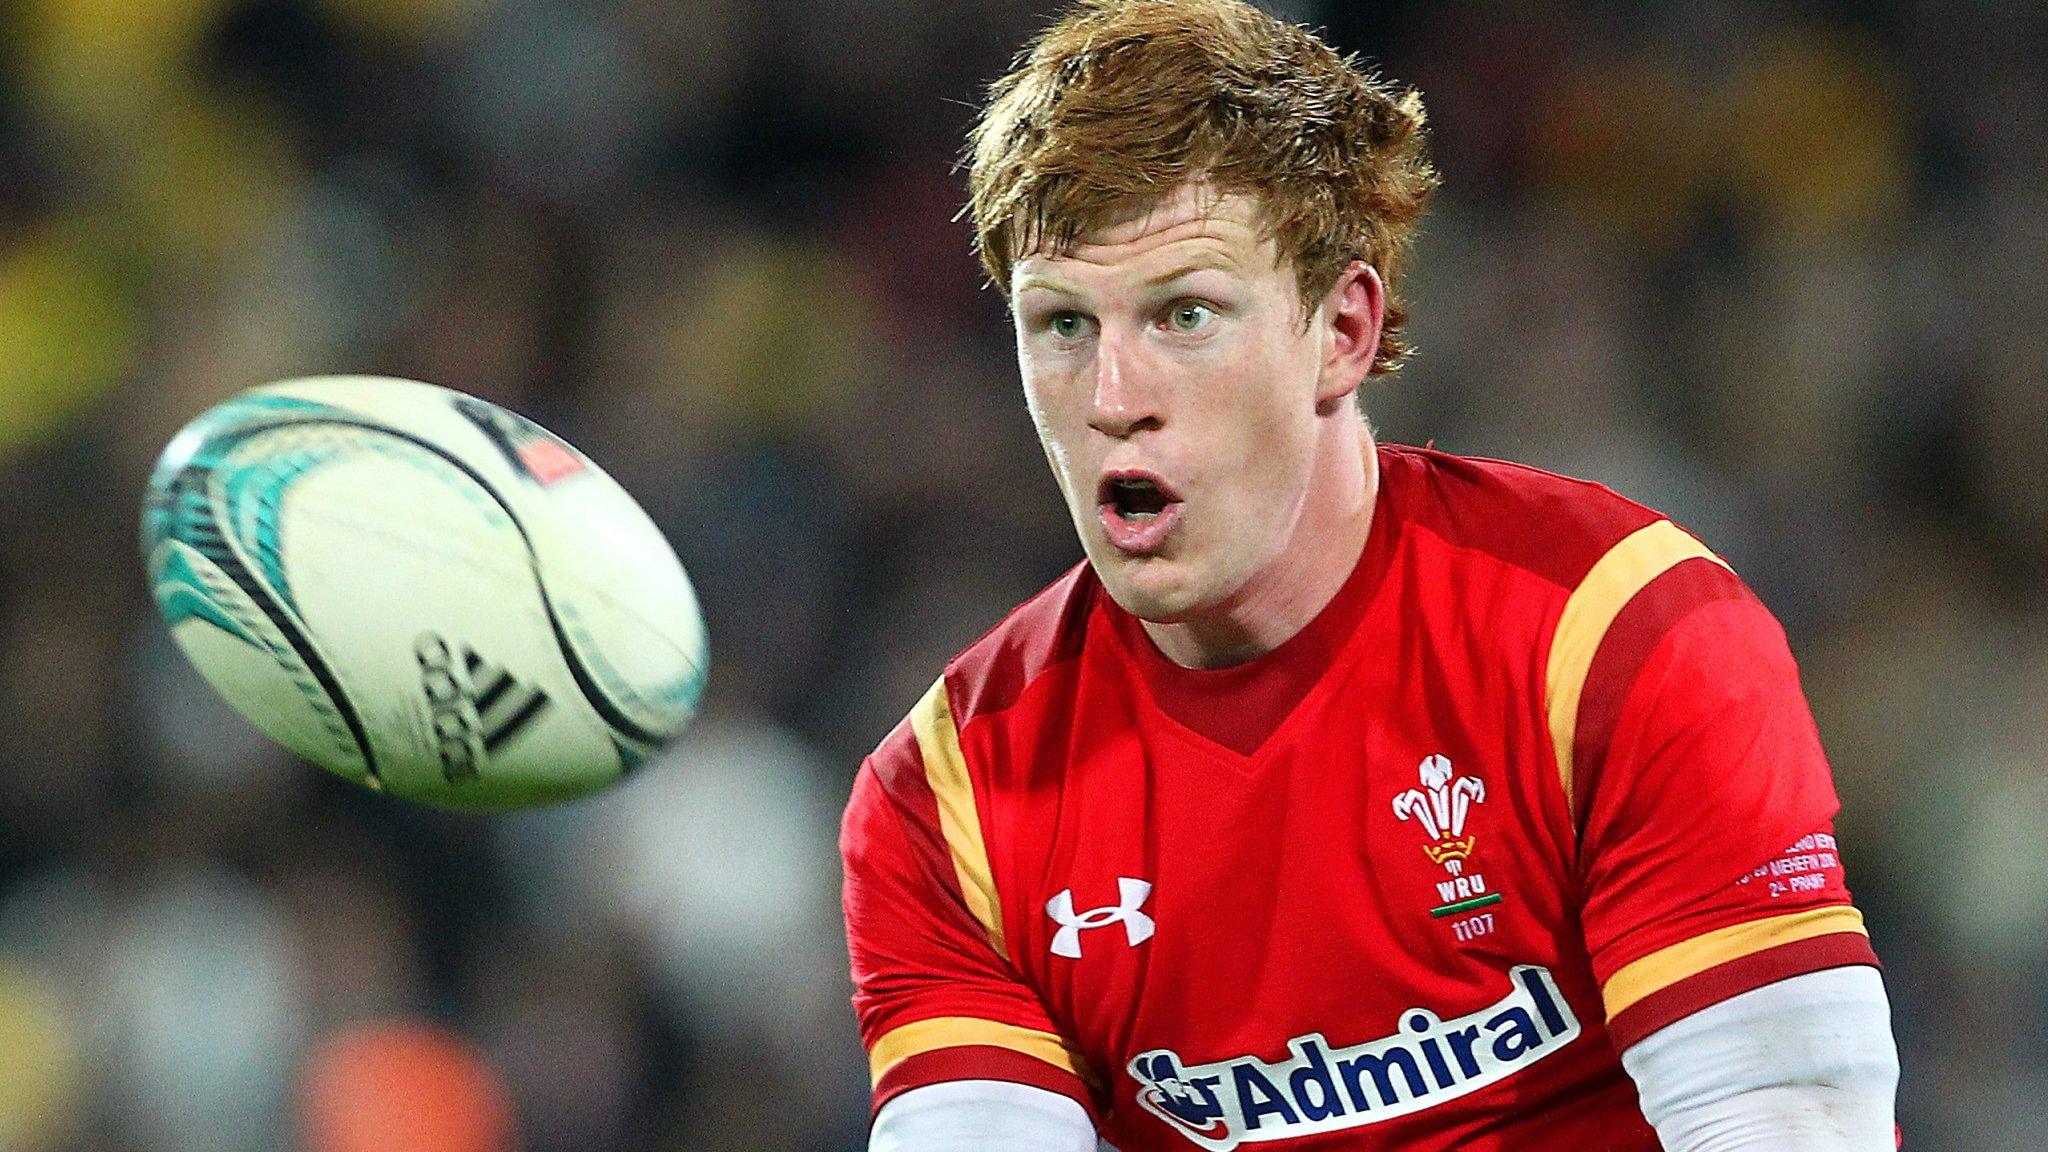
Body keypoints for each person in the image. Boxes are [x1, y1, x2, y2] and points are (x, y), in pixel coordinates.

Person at [839, 2, 1900, 1149]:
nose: (1110, 395)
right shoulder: (944, 804)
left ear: (1342, 328)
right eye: (1058, 325)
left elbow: (1788, 1121)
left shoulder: (1618, 639)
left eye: (1182, 313)